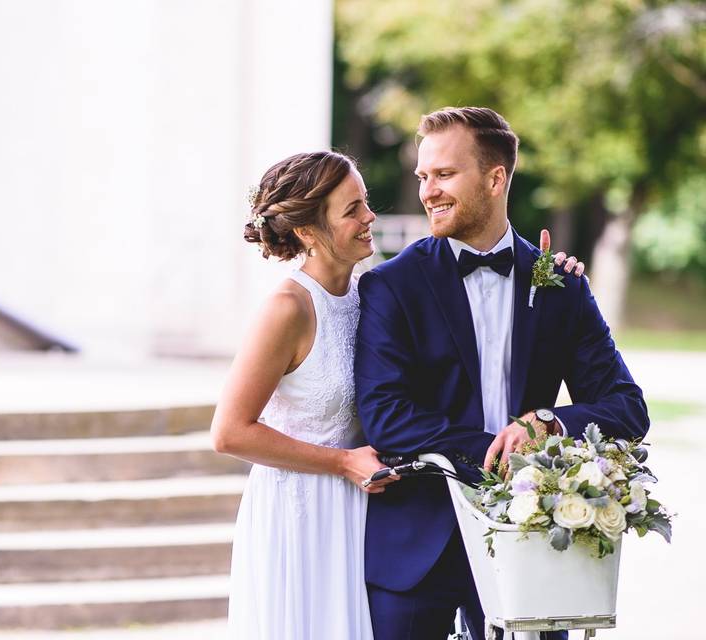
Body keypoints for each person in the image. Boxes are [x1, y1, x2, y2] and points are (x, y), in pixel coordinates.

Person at [212, 149, 586, 639]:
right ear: (307, 232)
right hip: (302, 509)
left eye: (365, 202)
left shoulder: (370, 289)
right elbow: (229, 433)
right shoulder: (288, 307)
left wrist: (546, 271)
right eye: (351, 210)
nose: (370, 216)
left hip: (363, 507)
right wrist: (342, 463)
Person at [354, 107, 650, 640]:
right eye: (424, 177)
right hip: (418, 544)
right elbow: (385, 416)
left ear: (495, 179)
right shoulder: (391, 286)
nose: (427, 192)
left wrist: (549, 424)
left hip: (534, 541)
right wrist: (501, 450)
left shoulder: (561, 285)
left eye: (444, 174)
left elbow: (627, 407)